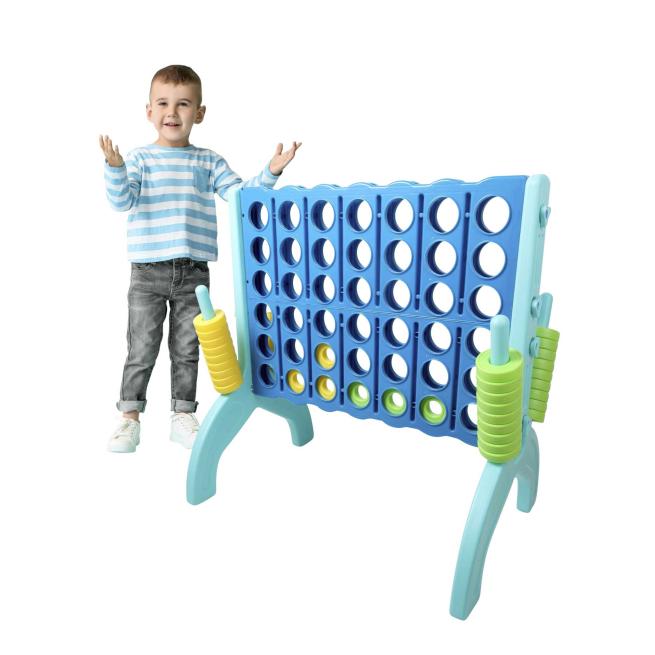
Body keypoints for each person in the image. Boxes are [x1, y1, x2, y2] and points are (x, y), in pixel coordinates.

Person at [100, 64, 301, 453]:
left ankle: (182, 415)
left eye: (183, 104)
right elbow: (121, 201)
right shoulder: (140, 159)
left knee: (188, 348)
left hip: (194, 273)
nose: (172, 112)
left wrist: (270, 173)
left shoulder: (208, 161)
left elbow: (240, 196)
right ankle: (129, 418)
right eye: (163, 103)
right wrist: (115, 168)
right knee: (141, 347)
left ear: (200, 112)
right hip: (147, 271)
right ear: (149, 111)